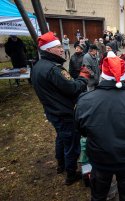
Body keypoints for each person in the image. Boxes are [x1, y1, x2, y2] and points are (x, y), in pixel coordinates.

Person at [74, 51, 125, 200]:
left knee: (98, 195)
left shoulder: (85, 100)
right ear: (124, 75)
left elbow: (81, 129)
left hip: (100, 158)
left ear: (103, 74)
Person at [31, 32, 89, 185]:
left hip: (53, 112)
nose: (62, 49)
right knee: (71, 144)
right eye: (58, 47)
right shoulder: (54, 69)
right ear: (49, 50)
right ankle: (71, 174)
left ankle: (60, 165)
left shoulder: (37, 66)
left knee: (61, 138)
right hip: (64, 114)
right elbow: (74, 88)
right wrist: (83, 77)